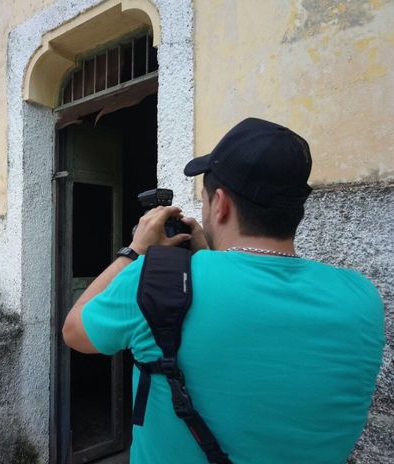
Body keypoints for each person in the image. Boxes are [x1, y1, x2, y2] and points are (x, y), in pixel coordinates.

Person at [62, 118, 384, 463]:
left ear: (221, 204)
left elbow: (75, 331)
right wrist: (208, 256)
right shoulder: (362, 297)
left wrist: (134, 251)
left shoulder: (154, 278)